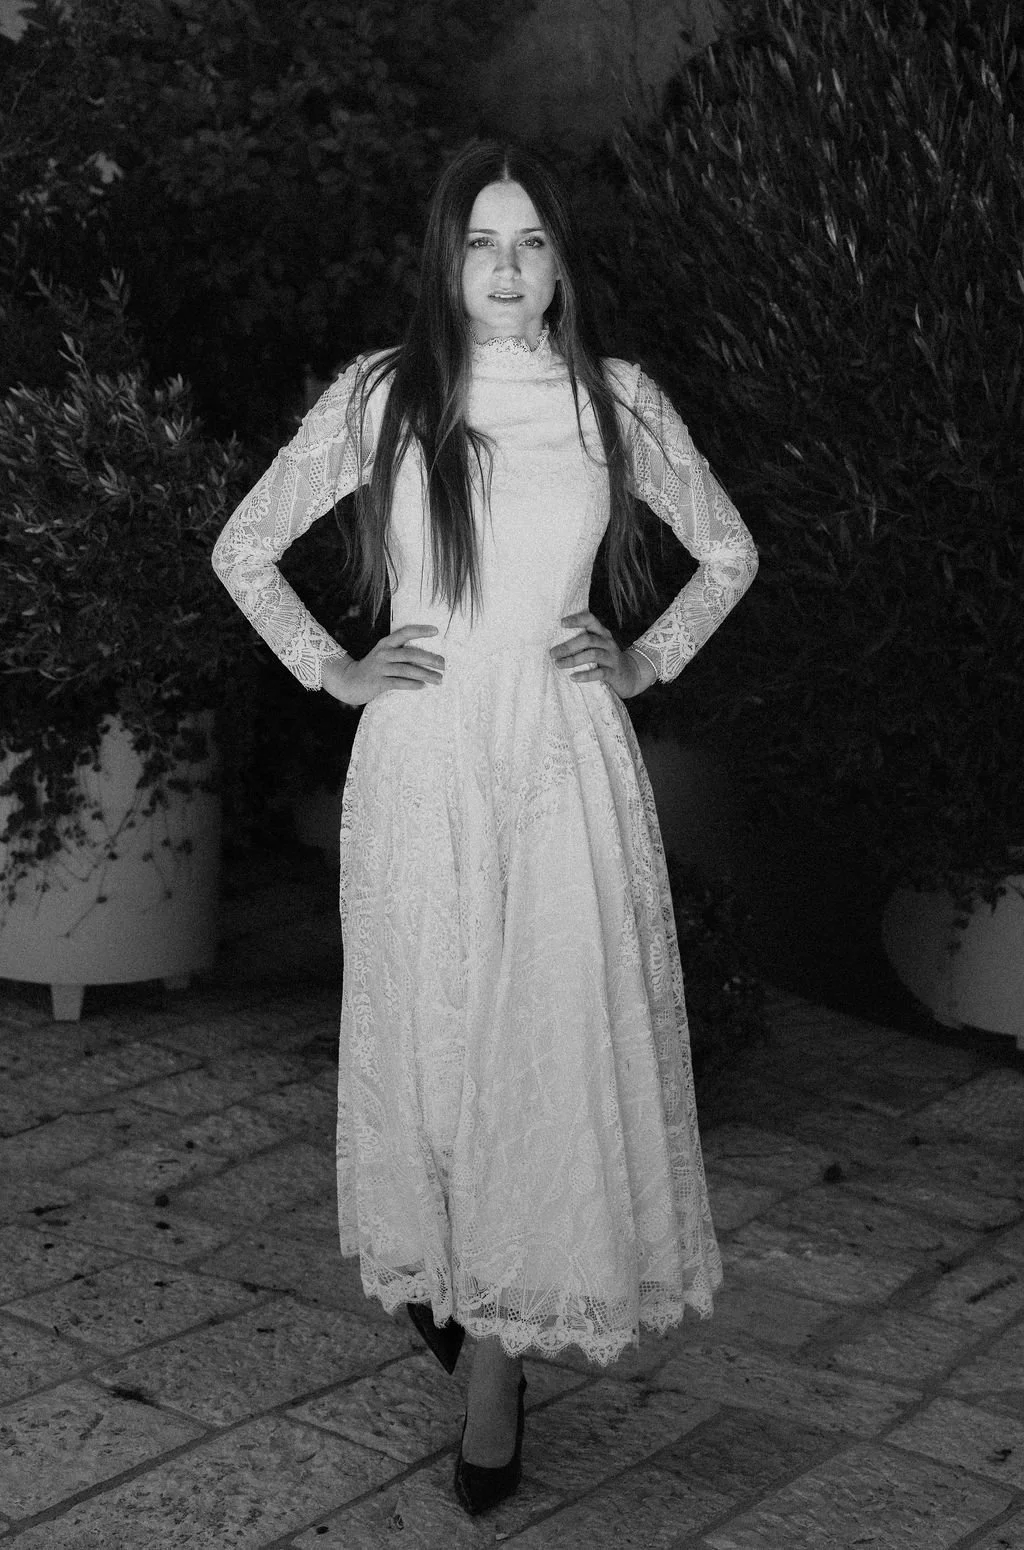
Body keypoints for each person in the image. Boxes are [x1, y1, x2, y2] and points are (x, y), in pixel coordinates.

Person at [212, 138, 758, 1516]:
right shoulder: (385, 397)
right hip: (424, 758)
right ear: (447, 262)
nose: (506, 270)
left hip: (563, 762)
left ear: (562, 263)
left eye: (530, 243)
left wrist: (646, 655)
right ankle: (452, 1285)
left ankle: (497, 1373)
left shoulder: (613, 401)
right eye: (480, 243)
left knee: (535, 1056)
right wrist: (334, 669)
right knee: (439, 1048)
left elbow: (730, 550)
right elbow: (243, 547)